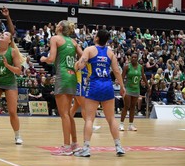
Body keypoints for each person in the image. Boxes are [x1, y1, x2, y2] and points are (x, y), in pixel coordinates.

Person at [74, 29, 126, 157]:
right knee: (111, 118)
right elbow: (117, 71)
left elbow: (80, 65)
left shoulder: (89, 50)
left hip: (94, 86)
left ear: (97, 38)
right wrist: (122, 86)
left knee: (90, 119)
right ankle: (119, 146)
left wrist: (75, 66)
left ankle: (86, 148)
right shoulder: (110, 53)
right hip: (108, 86)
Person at [40, 20, 82, 155]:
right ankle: (75, 144)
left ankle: (66, 147)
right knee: (69, 114)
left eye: (57, 24)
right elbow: (83, 57)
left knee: (64, 114)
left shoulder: (55, 39)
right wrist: (76, 67)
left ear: (59, 27)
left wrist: (43, 59)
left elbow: (51, 59)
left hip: (62, 76)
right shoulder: (73, 42)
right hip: (72, 76)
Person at [119, 52, 148, 131]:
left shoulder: (140, 67)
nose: (134, 59)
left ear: (137, 58)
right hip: (128, 89)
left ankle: (131, 125)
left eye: (135, 57)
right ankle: (121, 124)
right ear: (130, 58)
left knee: (133, 107)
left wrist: (148, 86)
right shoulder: (127, 67)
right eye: (132, 57)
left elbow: (143, 77)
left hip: (136, 89)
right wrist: (122, 88)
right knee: (126, 106)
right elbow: (121, 78)